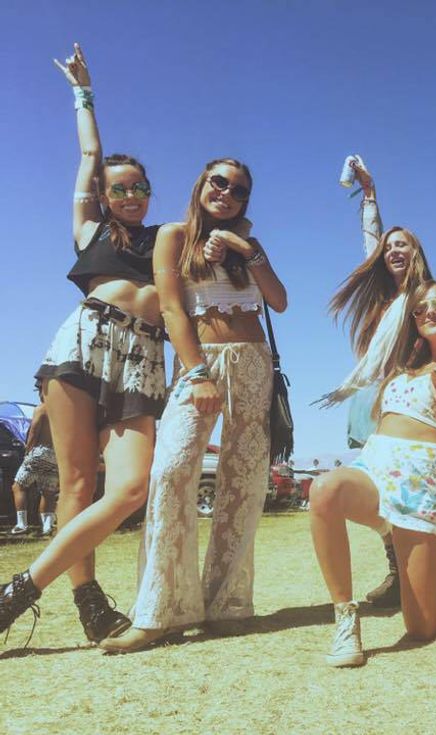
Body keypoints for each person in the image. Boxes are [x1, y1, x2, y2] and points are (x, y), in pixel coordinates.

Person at [1, 44, 166, 644]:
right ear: (103, 195)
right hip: (84, 345)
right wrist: (83, 93)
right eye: (120, 189)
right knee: (75, 483)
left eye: (141, 187)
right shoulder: (91, 229)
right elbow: (91, 153)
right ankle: (90, 604)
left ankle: (19, 590)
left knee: (129, 488)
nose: (132, 195)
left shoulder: (167, 240)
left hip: (144, 359)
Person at [100, 159, 287, 652]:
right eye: (218, 183)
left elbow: (279, 300)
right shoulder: (174, 236)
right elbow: (171, 309)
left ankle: (229, 604)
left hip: (253, 362)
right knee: (171, 471)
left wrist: (245, 249)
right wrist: (198, 372)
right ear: (201, 185)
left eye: (239, 190)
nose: (227, 193)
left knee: (244, 480)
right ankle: (160, 610)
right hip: (200, 362)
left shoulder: (247, 245)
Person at [309, 281, 436, 667]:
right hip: (375, 464)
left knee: (421, 628)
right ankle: (345, 620)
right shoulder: (401, 370)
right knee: (324, 489)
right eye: (421, 309)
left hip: (420, 480)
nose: (430, 312)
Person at [315, 159, 434, 608]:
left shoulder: (426, 296)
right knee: (375, 487)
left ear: (416, 252)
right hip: (369, 394)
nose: (393, 251)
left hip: (404, 398)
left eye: (402, 245)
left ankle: (415, 571)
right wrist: (368, 197)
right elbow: (372, 242)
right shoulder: (382, 298)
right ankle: (400, 568)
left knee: (398, 485)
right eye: (389, 248)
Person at [9, 401, 59, 538]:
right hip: (55, 454)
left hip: (39, 452)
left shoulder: (42, 408)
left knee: (18, 486)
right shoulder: (61, 407)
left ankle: (21, 525)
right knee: (48, 492)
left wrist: (28, 450)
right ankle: (47, 526)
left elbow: (34, 430)